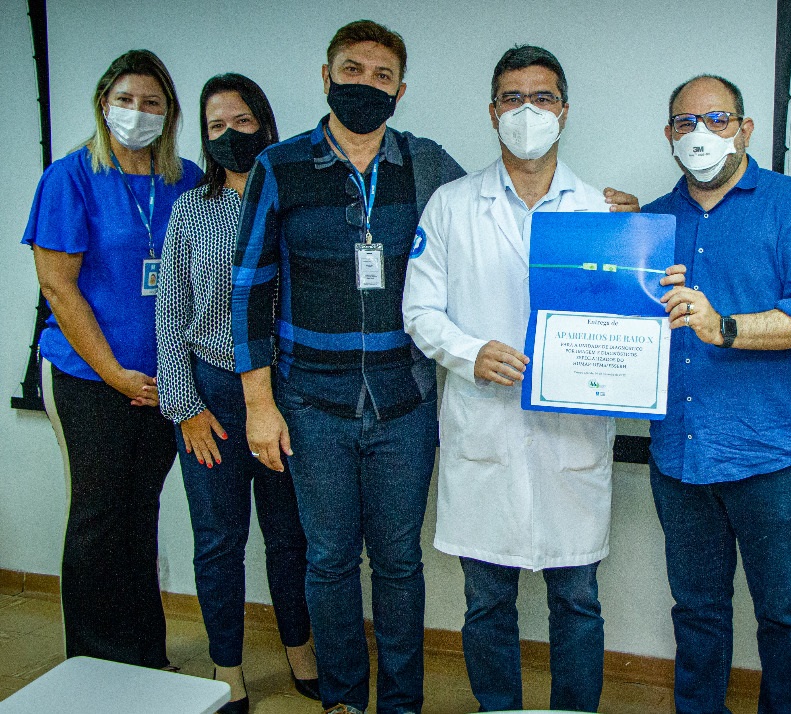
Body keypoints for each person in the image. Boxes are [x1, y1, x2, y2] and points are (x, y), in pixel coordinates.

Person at [402, 45, 653, 712]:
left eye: (542, 98)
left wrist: (646, 267)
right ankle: (499, 710)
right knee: (487, 603)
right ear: (492, 112)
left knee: (578, 601)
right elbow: (419, 311)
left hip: (572, 439)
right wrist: (469, 352)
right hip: (485, 431)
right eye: (512, 98)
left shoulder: (604, 213)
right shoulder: (452, 205)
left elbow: (631, 327)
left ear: (564, 111)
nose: (527, 111)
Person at [230, 21, 464, 714]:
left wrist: (597, 217)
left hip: (403, 403)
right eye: (353, 70)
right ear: (326, 76)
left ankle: (401, 703)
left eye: (382, 75)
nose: (367, 83)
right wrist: (259, 404)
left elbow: (495, 222)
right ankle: (342, 700)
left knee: (398, 563)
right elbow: (249, 288)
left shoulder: (425, 164)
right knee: (329, 561)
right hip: (311, 404)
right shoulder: (279, 166)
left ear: (400, 90)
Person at [643, 74, 791, 714]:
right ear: (669, 134)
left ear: (746, 129)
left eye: (717, 119)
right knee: (696, 612)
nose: (700, 133)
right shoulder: (652, 222)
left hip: (773, 455)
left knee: (783, 616)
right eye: (685, 122)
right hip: (680, 455)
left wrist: (723, 327)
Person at [21, 49, 201, 668]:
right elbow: (58, 287)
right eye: (125, 100)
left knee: (140, 514)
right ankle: (95, 663)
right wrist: (114, 373)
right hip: (90, 378)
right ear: (104, 104)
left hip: (165, 383)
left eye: (152, 102)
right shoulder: (69, 177)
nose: (137, 112)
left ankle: (144, 656)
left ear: (169, 113)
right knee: (99, 518)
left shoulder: (185, 179)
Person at [155, 73, 319, 713]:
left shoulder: (294, 199)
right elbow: (171, 315)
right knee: (219, 541)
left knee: (290, 537)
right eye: (216, 126)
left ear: (266, 124)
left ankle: (301, 649)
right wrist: (185, 407)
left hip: (286, 395)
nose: (229, 135)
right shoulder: (191, 211)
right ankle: (227, 666)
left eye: (242, 121)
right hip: (212, 399)